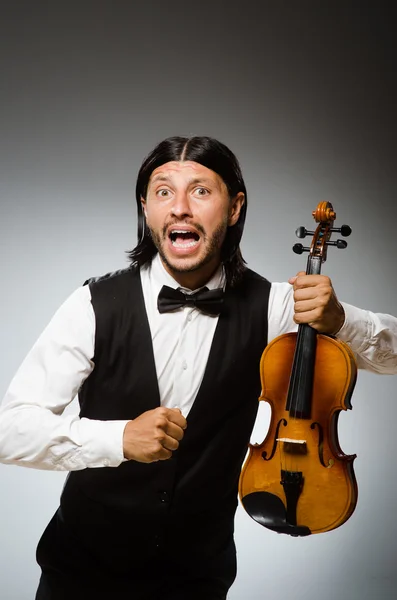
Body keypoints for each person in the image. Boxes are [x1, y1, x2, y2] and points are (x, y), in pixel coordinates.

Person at [1, 136, 397, 600]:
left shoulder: (273, 305)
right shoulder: (93, 304)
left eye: (202, 191)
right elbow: (10, 430)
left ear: (234, 208)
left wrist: (342, 321)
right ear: (145, 208)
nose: (180, 209)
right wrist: (117, 439)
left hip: (197, 579)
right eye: (164, 191)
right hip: (80, 574)